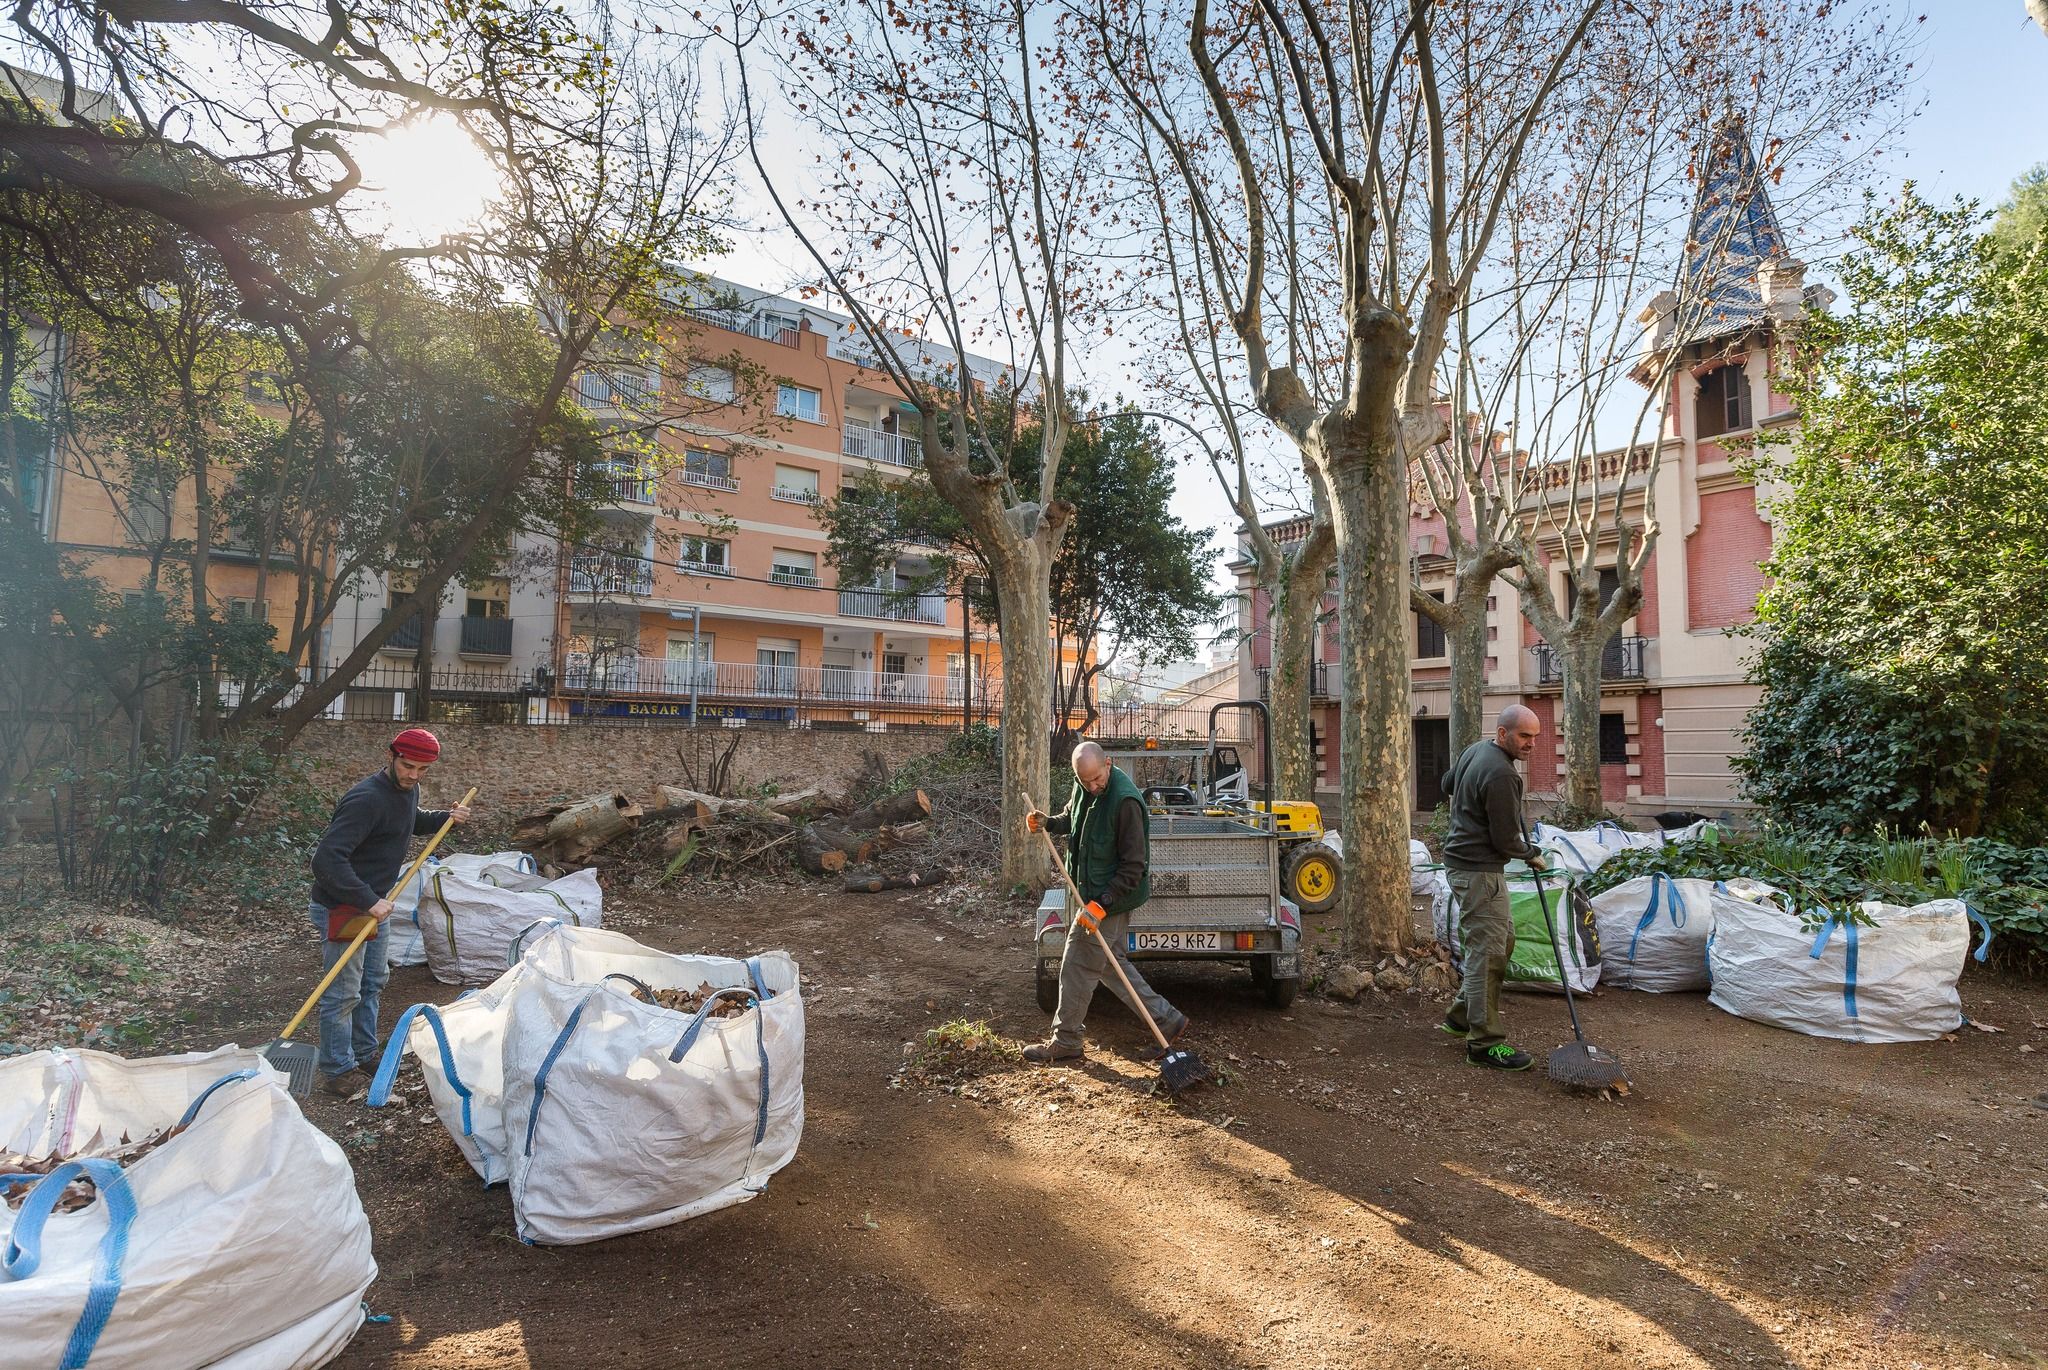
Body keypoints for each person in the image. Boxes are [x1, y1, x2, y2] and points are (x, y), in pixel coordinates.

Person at [308, 727, 472, 1098]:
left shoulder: (407, 791)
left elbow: (407, 820)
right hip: (343, 906)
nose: (413, 775)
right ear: (391, 757)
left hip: (372, 906)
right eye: (407, 766)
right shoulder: (366, 799)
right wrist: (368, 900)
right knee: (344, 991)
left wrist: (444, 818)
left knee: (373, 982)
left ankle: (365, 1054)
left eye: (422, 769)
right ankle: (337, 1069)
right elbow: (326, 859)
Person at [1021, 740, 1188, 1063]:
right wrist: (1050, 823)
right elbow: (1074, 818)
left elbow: (1134, 866)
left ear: (1108, 764)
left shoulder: (1125, 802)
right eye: (1086, 781)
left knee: (1076, 962)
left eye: (1097, 778)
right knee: (1109, 964)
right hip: (1092, 894)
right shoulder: (1084, 785)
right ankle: (1167, 1019)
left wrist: (1103, 903)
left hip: (1113, 897)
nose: (1093, 786)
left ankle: (1066, 1039)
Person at [1438, 704, 1548, 1072]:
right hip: (1479, 871)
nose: (1531, 743)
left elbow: (1446, 784)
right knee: (1489, 953)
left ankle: (1461, 1016)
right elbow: (1505, 841)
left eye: (1535, 736)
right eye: (1524, 736)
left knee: (1502, 942)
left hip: (1462, 866)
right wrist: (1531, 854)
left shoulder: (1475, 750)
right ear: (1503, 734)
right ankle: (1484, 1043)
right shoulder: (1503, 774)